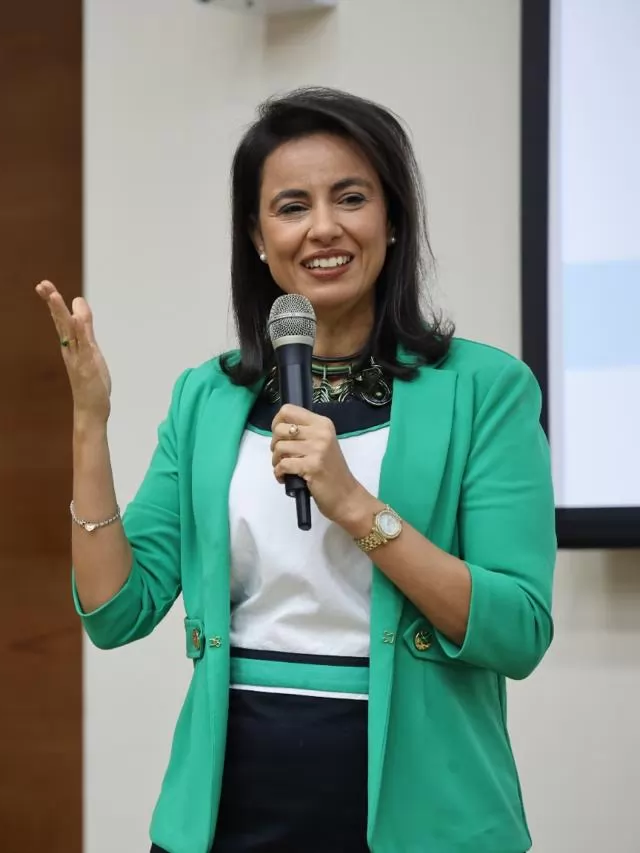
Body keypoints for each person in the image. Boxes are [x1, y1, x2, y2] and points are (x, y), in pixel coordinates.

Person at [35, 86, 556, 853]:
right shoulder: (209, 396)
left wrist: (357, 507)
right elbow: (116, 612)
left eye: (351, 197)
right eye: (291, 206)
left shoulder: (485, 389)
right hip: (228, 809)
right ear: (257, 234)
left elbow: (518, 632)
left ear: (393, 218)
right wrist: (90, 422)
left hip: (424, 814)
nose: (323, 227)